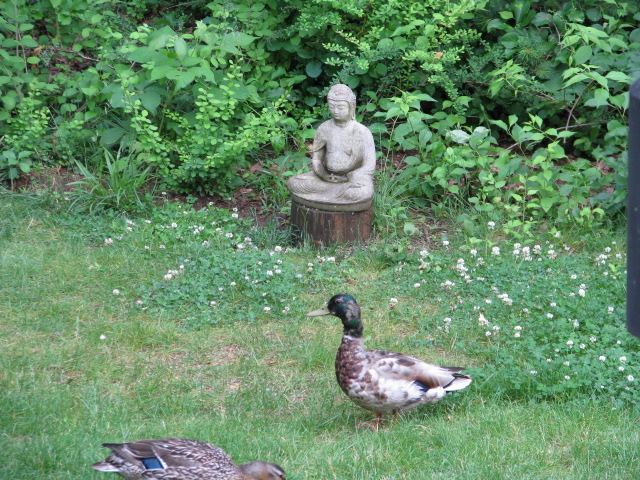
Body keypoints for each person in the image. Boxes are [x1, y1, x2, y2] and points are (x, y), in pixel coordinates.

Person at [287, 84, 375, 212]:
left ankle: (332, 194)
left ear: (352, 107)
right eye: (332, 106)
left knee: (362, 192)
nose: (335, 111)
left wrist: (346, 178)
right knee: (294, 183)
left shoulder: (362, 132)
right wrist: (323, 175)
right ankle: (334, 194)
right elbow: (317, 159)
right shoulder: (324, 128)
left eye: (340, 107)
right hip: (326, 178)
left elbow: (369, 166)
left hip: (351, 180)